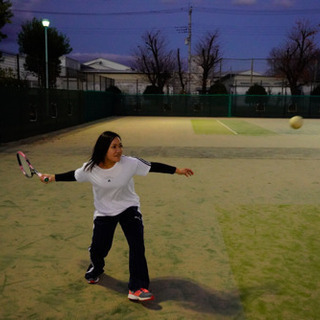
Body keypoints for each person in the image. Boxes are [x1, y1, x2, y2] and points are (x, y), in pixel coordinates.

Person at [40, 131, 194, 302]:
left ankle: (137, 287)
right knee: (100, 247)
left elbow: (153, 166)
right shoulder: (90, 168)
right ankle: (96, 267)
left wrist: (177, 171)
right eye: (114, 147)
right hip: (104, 212)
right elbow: (73, 175)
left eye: (120, 146)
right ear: (103, 149)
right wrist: (52, 177)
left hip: (129, 208)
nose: (119, 150)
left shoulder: (130, 163)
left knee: (137, 246)